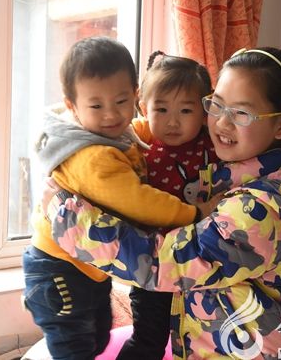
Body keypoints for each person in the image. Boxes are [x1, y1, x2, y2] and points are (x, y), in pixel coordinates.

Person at [44, 47, 281, 359]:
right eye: (217, 105)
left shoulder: (257, 212)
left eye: (241, 113)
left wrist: (69, 219)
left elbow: (163, 263)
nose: (222, 123)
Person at [22, 37, 217, 360]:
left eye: (121, 101)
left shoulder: (113, 132)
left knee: (98, 338)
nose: (111, 114)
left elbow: (141, 131)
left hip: (87, 267)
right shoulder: (94, 157)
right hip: (60, 271)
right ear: (72, 106)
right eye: (96, 106)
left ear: (135, 98)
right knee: (75, 349)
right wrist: (195, 213)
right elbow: (140, 202)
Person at [118, 51, 218, 360]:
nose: (173, 121)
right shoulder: (138, 150)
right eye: (161, 109)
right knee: (148, 340)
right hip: (155, 266)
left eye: (185, 110)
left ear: (205, 111)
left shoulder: (216, 144)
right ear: (143, 108)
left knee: (202, 340)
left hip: (204, 264)